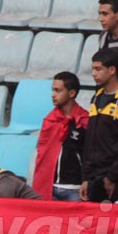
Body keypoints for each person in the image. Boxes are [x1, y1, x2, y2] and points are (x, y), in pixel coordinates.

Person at [80, 48, 118, 204]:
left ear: (112, 70)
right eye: (93, 69)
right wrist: (86, 177)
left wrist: (112, 177)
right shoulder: (96, 97)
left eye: (98, 69)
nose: (93, 73)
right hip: (94, 178)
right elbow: (89, 141)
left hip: (117, 181)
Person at [31, 71, 88, 201]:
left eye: (58, 90)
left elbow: (89, 155)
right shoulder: (50, 120)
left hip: (75, 188)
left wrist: (87, 180)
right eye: (52, 90)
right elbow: (43, 155)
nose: (53, 95)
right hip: (50, 187)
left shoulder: (84, 121)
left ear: (72, 93)